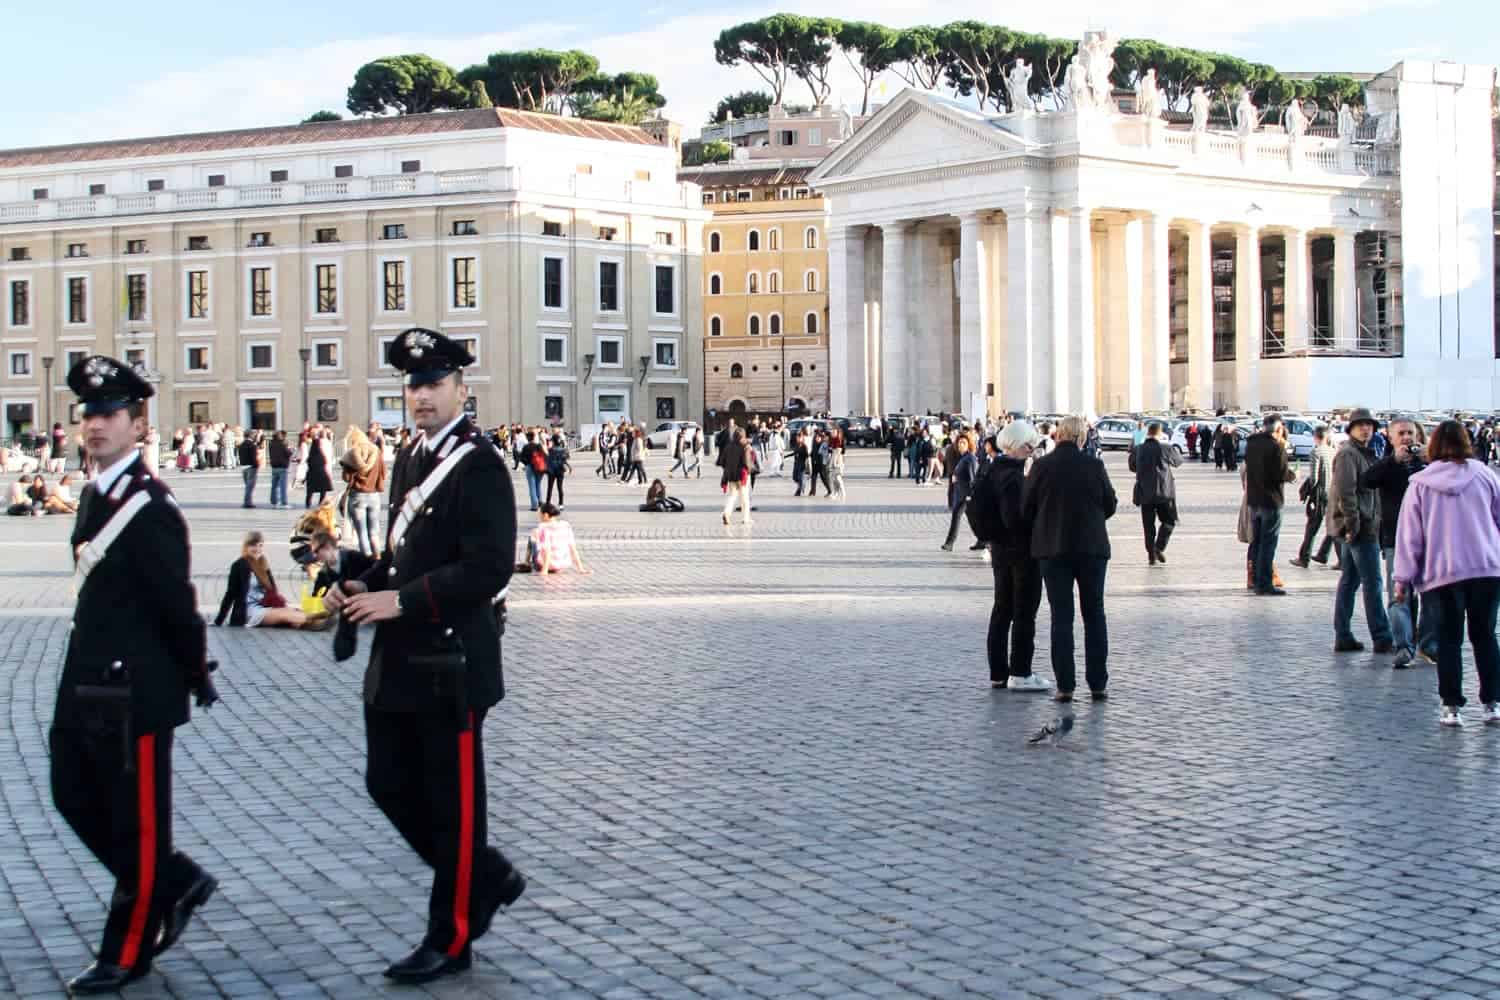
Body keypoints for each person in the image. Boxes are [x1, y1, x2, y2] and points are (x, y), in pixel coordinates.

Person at [324, 327, 525, 985]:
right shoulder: (410, 457)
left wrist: (400, 602)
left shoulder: (482, 464)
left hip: (452, 663)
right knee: (387, 782)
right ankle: (484, 875)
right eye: (412, 384)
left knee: (454, 803)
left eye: (434, 383)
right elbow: (403, 558)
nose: (421, 395)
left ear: (462, 389)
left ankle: (452, 934)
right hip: (401, 659)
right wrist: (359, 578)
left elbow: (489, 567)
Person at [50, 355, 218, 994]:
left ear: (137, 423)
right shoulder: (96, 493)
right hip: (85, 678)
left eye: (109, 414)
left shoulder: (151, 508)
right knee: (70, 793)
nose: (95, 425)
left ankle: (127, 951)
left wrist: (192, 674)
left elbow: (176, 605)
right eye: (89, 414)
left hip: (136, 690)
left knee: (139, 824)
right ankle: (173, 881)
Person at [1392, 421, 1500, 727]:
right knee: (1486, 637)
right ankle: (1492, 703)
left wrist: (1402, 579)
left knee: (1449, 640)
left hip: (1443, 573)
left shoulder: (1421, 485)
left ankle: (1452, 707)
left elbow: (1410, 537)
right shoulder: (1485, 476)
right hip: (1486, 570)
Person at [1022, 415, 1116, 702]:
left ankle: (1065, 685)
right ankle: (1097, 683)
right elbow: (1109, 504)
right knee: (1094, 615)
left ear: (1058, 435)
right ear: (1081, 437)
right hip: (1091, 549)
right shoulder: (1095, 466)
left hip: (1053, 549)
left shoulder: (1041, 466)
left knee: (1061, 617)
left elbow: (1027, 509)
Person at [1362, 416, 1437, 668]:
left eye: (1411, 433)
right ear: (1391, 437)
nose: (1407, 438)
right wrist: (1393, 460)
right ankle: (1404, 646)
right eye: (1401, 433)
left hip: (1430, 539)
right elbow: (1367, 480)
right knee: (1399, 595)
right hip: (1396, 538)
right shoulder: (1387, 465)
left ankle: (1428, 644)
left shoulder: (1430, 464)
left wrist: (1432, 458)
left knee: (1431, 594)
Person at [984, 421, 1050, 692]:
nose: (1031, 451)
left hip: (1000, 549)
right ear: (1018, 446)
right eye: (1029, 446)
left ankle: (998, 672)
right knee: (1024, 611)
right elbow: (1015, 516)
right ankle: (1020, 672)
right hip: (1020, 551)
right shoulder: (1012, 476)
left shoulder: (991, 470)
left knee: (1002, 609)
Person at [1328, 408, 1394, 653]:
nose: (1366, 429)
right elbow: (1346, 493)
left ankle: (1343, 635)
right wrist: (1353, 525)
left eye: (1369, 425)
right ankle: (1382, 636)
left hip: (1360, 526)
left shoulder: (1365, 453)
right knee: (1372, 583)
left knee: (1350, 581)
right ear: (1351, 429)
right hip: (1359, 528)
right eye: (1360, 425)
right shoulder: (1349, 454)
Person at [214, 532, 320, 629]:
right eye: (253, 545)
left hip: (265, 605)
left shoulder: (263, 563)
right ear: (246, 546)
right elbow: (230, 593)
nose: (257, 549)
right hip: (249, 611)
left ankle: (315, 622)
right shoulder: (239, 565)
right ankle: (316, 622)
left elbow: (272, 590)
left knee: (290, 613)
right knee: (284, 614)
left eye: (260, 545)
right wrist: (219, 620)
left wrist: (278, 602)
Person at [1243, 414, 1295, 595]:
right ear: (1279, 429)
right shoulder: (1276, 447)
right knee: (1268, 543)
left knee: (1257, 542)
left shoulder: (1252, 444)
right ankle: (1265, 583)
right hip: (1271, 500)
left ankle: (1256, 579)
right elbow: (1280, 474)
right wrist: (1292, 474)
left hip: (1254, 499)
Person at [1129, 421, 1180, 565]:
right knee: (1169, 521)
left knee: (1148, 525)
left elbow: (1132, 467)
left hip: (1145, 492)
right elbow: (1178, 461)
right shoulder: (1165, 448)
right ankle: (1159, 547)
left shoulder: (1138, 449)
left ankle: (1151, 553)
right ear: (1159, 433)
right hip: (1164, 492)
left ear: (1147, 432)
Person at [1290, 427, 1336, 568]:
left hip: (1320, 494)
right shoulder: (1332, 451)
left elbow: (1314, 478)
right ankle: (1324, 553)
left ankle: (1304, 557)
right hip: (1332, 492)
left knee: (1312, 526)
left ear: (1315, 437)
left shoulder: (1316, 452)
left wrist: (1307, 491)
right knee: (1333, 525)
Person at [342, 426, 387, 559]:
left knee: (361, 532)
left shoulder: (352, 453)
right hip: (374, 496)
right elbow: (384, 472)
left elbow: (346, 478)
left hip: (357, 495)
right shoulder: (376, 451)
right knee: (374, 531)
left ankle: (367, 559)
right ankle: (377, 556)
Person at [516, 503, 591, 574]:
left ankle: (526, 563)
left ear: (545, 515)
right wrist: (581, 569)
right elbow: (572, 548)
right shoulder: (566, 525)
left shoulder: (542, 527)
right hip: (561, 565)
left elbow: (547, 549)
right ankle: (532, 564)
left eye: (539, 515)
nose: (539, 517)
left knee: (532, 536)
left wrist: (544, 570)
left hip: (545, 565)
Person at [941, 435, 978, 552]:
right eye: (959, 443)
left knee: (957, 516)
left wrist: (970, 494)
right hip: (960, 493)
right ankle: (983, 540)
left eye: (963, 442)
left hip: (966, 495)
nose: (961, 445)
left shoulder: (970, 458)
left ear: (969, 445)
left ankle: (949, 543)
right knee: (973, 519)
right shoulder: (963, 458)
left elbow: (973, 477)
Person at [720, 427, 753, 526]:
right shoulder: (745, 447)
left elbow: (722, 461)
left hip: (731, 475)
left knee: (732, 496)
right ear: (743, 436)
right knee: (744, 497)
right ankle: (746, 518)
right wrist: (751, 470)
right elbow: (747, 463)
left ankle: (726, 513)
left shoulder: (728, 446)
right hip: (742, 476)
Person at [303, 427, 333, 509]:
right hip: (322, 472)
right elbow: (325, 460)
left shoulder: (314, 448)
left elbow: (309, 460)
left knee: (310, 490)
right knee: (323, 489)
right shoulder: (324, 444)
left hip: (312, 472)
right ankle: (320, 503)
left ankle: (308, 503)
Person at [519, 430, 545, 511]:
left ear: (527, 438)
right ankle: (540, 501)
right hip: (539, 468)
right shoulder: (538, 446)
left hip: (530, 467)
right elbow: (544, 455)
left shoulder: (526, 447)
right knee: (538, 484)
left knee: (532, 486)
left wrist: (527, 463)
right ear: (534, 437)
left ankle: (534, 505)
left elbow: (521, 458)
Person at [268, 430, 292, 509]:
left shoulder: (271, 444)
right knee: (283, 486)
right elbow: (288, 453)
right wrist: (290, 449)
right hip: (282, 466)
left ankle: (274, 502)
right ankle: (284, 502)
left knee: (274, 486)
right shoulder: (283, 444)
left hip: (274, 466)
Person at [237, 430, 261, 508]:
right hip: (251, 467)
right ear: (250, 436)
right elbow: (254, 457)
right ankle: (247, 502)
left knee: (247, 485)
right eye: (253, 435)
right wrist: (256, 465)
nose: (254, 436)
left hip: (244, 466)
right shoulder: (252, 445)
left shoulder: (241, 445)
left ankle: (248, 501)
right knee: (250, 486)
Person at [544, 432, 569, 508]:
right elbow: (565, 459)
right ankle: (561, 503)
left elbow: (548, 460)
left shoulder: (551, 450)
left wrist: (546, 469)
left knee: (550, 487)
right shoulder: (563, 450)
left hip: (552, 470)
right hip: (560, 470)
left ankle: (548, 502)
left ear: (553, 441)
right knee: (560, 487)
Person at [828, 429, 847, 500]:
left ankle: (843, 492)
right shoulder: (831, 440)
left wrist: (840, 462)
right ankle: (835, 493)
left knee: (838, 478)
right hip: (833, 459)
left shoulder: (840, 440)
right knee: (833, 478)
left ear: (837, 433)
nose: (832, 433)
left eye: (833, 432)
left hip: (839, 460)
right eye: (832, 432)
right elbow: (830, 451)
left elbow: (842, 452)